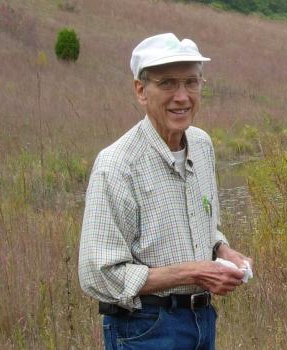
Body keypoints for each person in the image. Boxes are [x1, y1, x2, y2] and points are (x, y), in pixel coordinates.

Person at [78, 33, 251, 350]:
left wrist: (223, 251)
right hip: (144, 329)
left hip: (202, 321)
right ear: (141, 91)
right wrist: (193, 272)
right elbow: (99, 275)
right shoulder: (117, 165)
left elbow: (205, 228)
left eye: (191, 82)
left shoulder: (201, 145)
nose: (182, 96)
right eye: (168, 83)